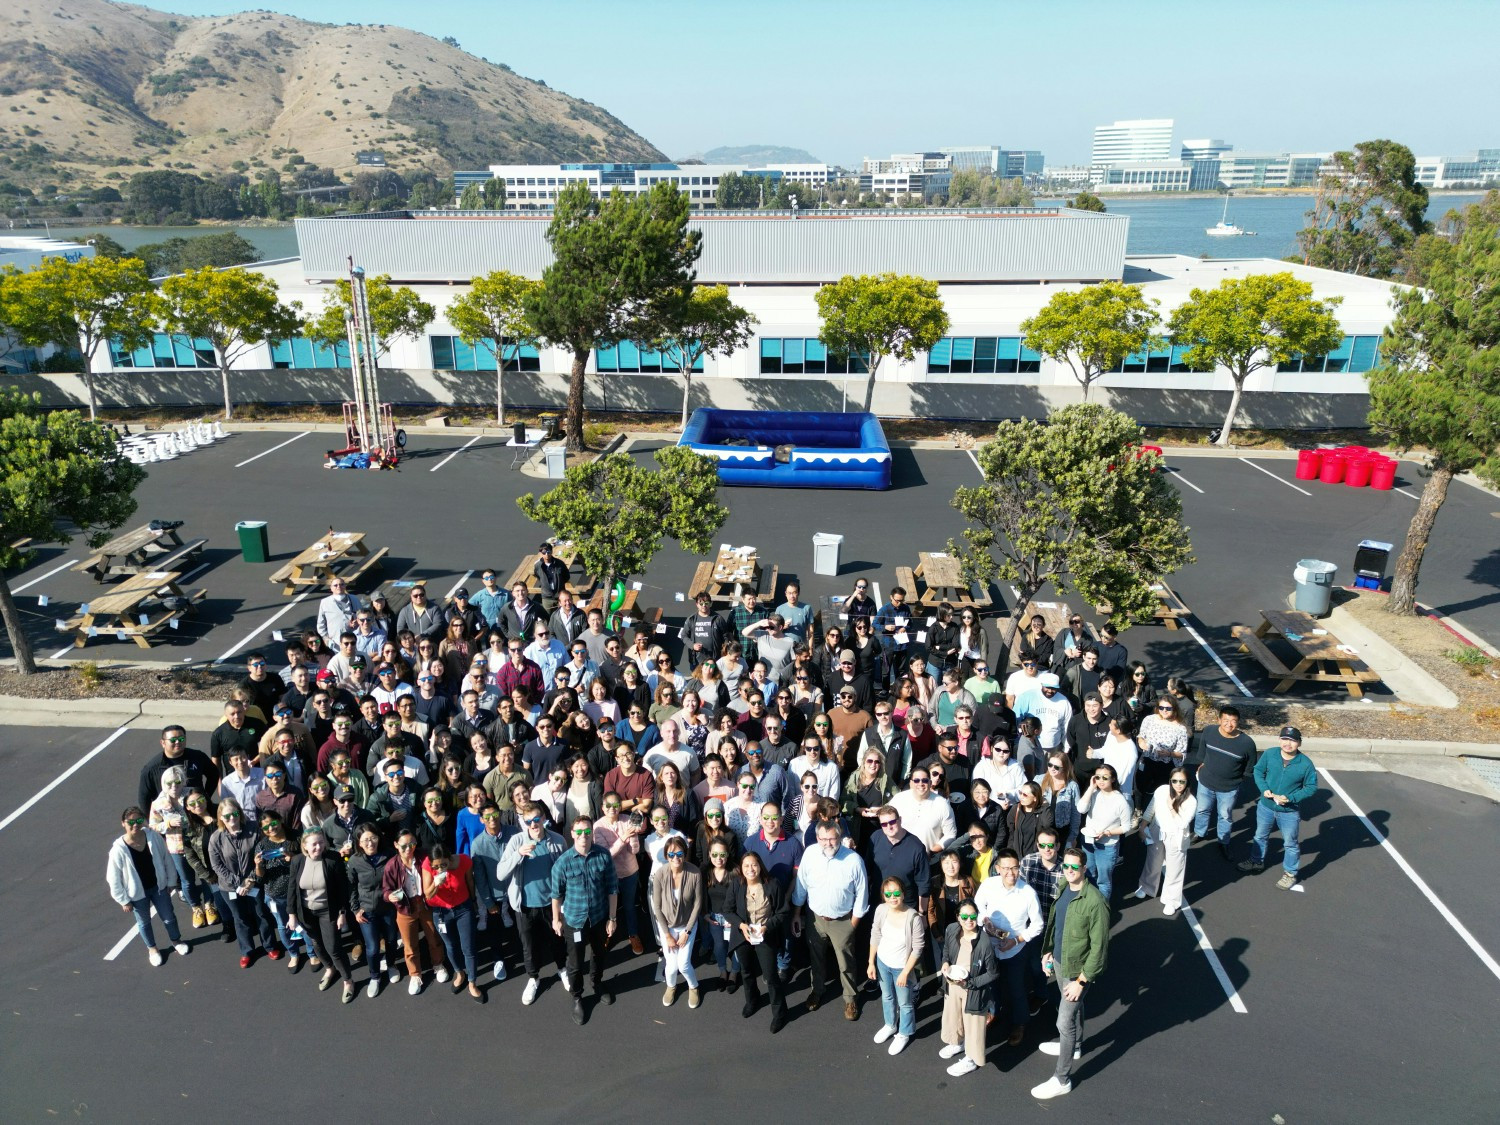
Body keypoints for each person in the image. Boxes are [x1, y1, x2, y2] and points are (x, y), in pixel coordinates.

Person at [1032, 845, 1109, 1101]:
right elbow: (1057, 923)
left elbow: (1098, 950)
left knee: (1063, 1022)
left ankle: (1062, 1079)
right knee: (1075, 1010)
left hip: (1079, 971)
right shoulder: (1064, 885)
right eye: (1066, 865)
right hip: (1062, 961)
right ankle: (1074, 1046)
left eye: (1075, 866)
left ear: (1085, 868)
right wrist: (1048, 952)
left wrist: (1081, 981)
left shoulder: (1095, 902)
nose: (1069, 870)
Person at [793, 821, 869, 1021]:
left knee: (846, 963)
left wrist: (853, 922)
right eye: (823, 839)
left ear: (840, 836)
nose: (828, 843)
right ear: (817, 838)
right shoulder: (810, 854)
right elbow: (801, 885)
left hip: (843, 921)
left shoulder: (853, 860)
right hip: (815, 918)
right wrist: (797, 913)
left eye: (832, 838)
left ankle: (851, 998)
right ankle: (817, 990)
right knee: (816, 958)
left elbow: (862, 893)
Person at [550, 814, 619, 1025]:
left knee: (599, 954)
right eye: (578, 832)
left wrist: (612, 918)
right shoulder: (563, 863)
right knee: (576, 963)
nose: (583, 836)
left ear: (592, 834)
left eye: (587, 832)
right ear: (572, 834)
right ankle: (578, 996)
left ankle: (596, 983)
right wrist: (556, 919)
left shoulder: (604, 856)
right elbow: (556, 894)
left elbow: (612, 889)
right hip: (574, 921)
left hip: (598, 918)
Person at [499, 801, 571, 1003]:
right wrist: (518, 854)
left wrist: (564, 900)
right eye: (528, 820)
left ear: (544, 820)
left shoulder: (557, 841)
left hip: (551, 905)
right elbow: (501, 873)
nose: (533, 824)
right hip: (525, 905)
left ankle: (562, 969)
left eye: (536, 820)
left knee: (557, 939)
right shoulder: (516, 842)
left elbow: (565, 872)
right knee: (528, 946)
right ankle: (533, 978)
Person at [975, 848, 1044, 1046]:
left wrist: (1017, 940)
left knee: (1017, 989)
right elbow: (978, 905)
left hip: (1015, 949)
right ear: (997, 868)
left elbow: (1037, 924)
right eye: (1006, 868)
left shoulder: (1028, 893)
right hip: (991, 946)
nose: (1010, 873)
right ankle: (994, 1013)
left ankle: (1020, 1023)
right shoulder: (988, 885)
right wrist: (985, 920)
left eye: (1014, 868)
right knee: (992, 984)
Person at [106, 807, 191, 967]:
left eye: (139, 820)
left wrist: (171, 881)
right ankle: (152, 949)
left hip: (158, 887)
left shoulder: (153, 837)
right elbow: (113, 878)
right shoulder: (118, 849)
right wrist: (123, 900)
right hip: (137, 894)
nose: (135, 825)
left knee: (168, 916)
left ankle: (176, 940)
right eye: (131, 822)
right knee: (144, 922)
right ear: (123, 823)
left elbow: (166, 858)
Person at [1240, 726, 1318, 890]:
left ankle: (1290, 874)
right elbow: (1258, 771)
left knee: (1290, 844)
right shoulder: (1270, 754)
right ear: (1279, 740)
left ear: (1299, 743)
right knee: (1260, 835)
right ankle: (1256, 861)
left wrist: (1291, 798)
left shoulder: (1305, 764)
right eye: (1284, 739)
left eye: (1292, 740)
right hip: (1266, 806)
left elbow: (1311, 787)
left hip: (1289, 811)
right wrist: (1264, 789)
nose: (1288, 744)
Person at [287, 829, 357, 1003]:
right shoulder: (297, 861)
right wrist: (291, 914)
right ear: (305, 846)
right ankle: (329, 969)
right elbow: (292, 889)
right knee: (316, 944)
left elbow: (342, 889)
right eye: (314, 844)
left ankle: (348, 980)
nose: (318, 847)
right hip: (306, 913)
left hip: (328, 911)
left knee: (333, 948)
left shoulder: (332, 860)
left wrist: (342, 913)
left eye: (321, 842)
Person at [208, 799, 279, 967]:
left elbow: (261, 857)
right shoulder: (216, 838)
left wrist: (250, 881)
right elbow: (217, 866)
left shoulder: (254, 830)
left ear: (239, 813)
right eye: (227, 816)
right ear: (221, 818)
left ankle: (269, 945)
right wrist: (239, 882)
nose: (232, 818)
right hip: (229, 888)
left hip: (254, 884)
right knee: (239, 918)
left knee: (261, 914)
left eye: (234, 814)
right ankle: (246, 951)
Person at [726, 851, 791, 1033]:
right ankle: (752, 1000)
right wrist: (741, 926)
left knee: (770, 975)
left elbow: (782, 912)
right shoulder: (736, 885)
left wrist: (767, 926)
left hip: (764, 934)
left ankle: (780, 1013)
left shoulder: (772, 884)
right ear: (741, 868)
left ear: (760, 865)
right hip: (744, 935)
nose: (750, 869)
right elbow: (727, 910)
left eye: (754, 864)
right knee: (746, 972)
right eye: (746, 866)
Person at [938, 896, 999, 1078]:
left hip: (974, 990)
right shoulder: (952, 930)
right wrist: (945, 963)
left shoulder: (984, 943)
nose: (969, 921)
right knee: (954, 1017)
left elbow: (993, 973)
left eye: (973, 917)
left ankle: (970, 1059)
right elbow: (947, 952)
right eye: (964, 917)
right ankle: (958, 1043)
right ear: (958, 917)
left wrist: (970, 983)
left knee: (973, 1026)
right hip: (953, 984)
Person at [866, 876, 925, 1057]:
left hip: (901, 968)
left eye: (896, 893)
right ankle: (890, 1025)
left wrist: (906, 972)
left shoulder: (913, 917)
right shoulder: (881, 910)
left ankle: (904, 1033)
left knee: (905, 1003)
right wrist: (871, 962)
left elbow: (918, 947)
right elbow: (875, 934)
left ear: (903, 894)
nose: (893, 897)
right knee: (887, 996)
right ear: (883, 896)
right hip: (883, 963)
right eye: (888, 894)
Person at [422, 844, 485, 1001]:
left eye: (444, 864)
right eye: (435, 866)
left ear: (449, 859)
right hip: (441, 912)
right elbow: (428, 895)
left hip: (463, 908)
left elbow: (470, 881)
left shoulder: (463, 860)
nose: (440, 868)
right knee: (450, 945)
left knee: (468, 947)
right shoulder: (427, 865)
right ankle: (459, 972)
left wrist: (474, 901)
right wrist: (436, 882)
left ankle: (472, 982)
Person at [1195, 705, 1257, 861]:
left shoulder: (1247, 743)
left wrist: (1236, 780)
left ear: (1238, 722)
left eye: (1233, 721)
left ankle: (1223, 841)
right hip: (1205, 782)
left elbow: (1249, 768)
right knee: (1202, 810)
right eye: (1226, 720)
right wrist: (1202, 767)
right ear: (1219, 720)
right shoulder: (1209, 731)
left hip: (1229, 788)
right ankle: (1199, 832)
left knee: (1225, 816)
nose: (1229, 724)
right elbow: (1202, 754)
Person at [1133, 768, 1197, 914]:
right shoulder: (1162, 790)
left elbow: (1182, 823)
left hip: (1177, 835)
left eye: (1182, 781)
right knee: (1153, 860)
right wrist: (1143, 827)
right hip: (1157, 830)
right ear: (1170, 780)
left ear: (1187, 782)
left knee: (1175, 868)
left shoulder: (1191, 801)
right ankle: (1146, 887)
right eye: (1175, 781)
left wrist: (1172, 808)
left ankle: (1171, 900)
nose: (1178, 784)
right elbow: (1151, 809)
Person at [347, 824, 400, 997]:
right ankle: (375, 976)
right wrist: (355, 910)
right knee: (372, 948)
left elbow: (398, 879)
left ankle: (391, 965)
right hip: (367, 910)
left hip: (388, 907)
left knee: (392, 940)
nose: (370, 843)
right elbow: (351, 887)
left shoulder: (390, 855)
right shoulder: (355, 861)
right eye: (365, 840)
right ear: (359, 843)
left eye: (373, 838)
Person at [651, 837, 705, 1008]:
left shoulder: (694, 872)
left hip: (687, 926)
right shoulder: (660, 874)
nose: (676, 858)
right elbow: (657, 907)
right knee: (671, 967)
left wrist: (687, 932)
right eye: (671, 854)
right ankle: (671, 986)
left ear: (685, 853)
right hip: (667, 927)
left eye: (679, 853)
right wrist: (667, 935)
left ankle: (693, 986)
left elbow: (697, 905)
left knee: (683, 964)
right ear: (666, 856)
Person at [1076, 765, 1131, 904]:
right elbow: (1081, 808)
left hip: (1107, 846)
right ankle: (1089, 904)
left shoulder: (1120, 801)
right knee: (1088, 873)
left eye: (1105, 777)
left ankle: (1101, 909)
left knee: (1103, 880)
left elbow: (1126, 826)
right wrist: (1090, 788)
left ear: (1112, 779)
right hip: (1088, 841)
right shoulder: (1094, 794)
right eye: (1098, 777)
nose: (1101, 781)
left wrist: (1108, 832)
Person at [138, 725, 219, 812]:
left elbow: (214, 774)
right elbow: (144, 799)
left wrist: (205, 796)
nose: (177, 742)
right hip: (171, 816)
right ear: (163, 743)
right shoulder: (152, 768)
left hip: (197, 811)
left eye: (181, 739)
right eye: (173, 740)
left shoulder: (198, 756)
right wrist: (153, 820)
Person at [1135, 694, 1190, 812]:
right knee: (1139, 787)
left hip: (1165, 766)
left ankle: (1154, 816)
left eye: (1168, 708)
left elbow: (1182, 753)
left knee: (1161, 792)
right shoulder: (1149, 719)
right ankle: (1138, 811)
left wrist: (1169, 754)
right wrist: (1141, 742)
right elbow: (1141, 736)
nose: (1164, 711)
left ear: (1174, 709)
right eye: (1161, 708)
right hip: (1147, 760)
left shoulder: (1180, 729)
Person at [889, 767, 957, 855]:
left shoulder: (942, 804)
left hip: (927, 859)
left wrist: (935, 849)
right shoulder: (898, 799)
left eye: (924, 780)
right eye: (916, 780)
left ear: (930, 782)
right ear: (911, 783)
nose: (921, 784)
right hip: (899, 855)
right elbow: (887, 823)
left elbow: (951, 834)